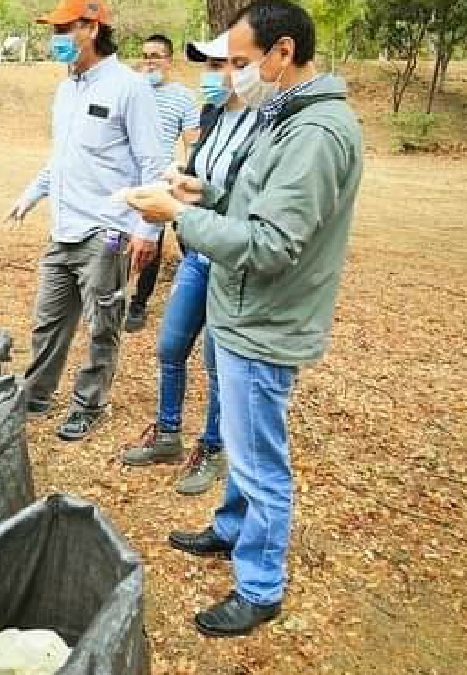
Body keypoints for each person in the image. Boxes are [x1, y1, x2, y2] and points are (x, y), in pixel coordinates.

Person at [126, 0, 363, 637]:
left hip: (266, 319)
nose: (231, 75)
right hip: (243, 309)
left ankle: (260, 586)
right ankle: (233, 528)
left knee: (261, 457)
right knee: (241, 433)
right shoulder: (284, 118)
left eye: (240, 62)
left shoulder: (315, 132)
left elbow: (273, 245)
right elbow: (257, 207)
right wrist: (210, 196)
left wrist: (179, 218)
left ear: (282, 53)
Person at [5, 0, 168, 443]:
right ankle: (35, 394)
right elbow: (62, 157)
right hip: (64, 226)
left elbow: (154, 165)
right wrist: (31, 194)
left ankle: (89, 403)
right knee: (48, 319)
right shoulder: (66, 89)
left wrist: (147, 230)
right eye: (53, 30)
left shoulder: (129, 88)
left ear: (92, 28)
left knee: (102, 320)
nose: (55, 39)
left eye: (64, 29)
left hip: (109, 228)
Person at [122, 30, 266, 497]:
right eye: (208, 66)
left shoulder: (266, 126)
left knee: (217, 362)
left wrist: (193, 202)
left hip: (229, 260)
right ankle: (167, 434)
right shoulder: (213, 115)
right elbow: (206, 179)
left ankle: (212, 447)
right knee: (170, 347)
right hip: (198, 254)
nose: (214, 75)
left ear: (245, 67)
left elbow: (249, 204)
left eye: (223, 64)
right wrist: (181, 181)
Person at [124, 33, 201, 333]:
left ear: (169, 60)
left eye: (156, 55)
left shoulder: (182, 96)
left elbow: (192, 141)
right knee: (122, 238)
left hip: (162, 180)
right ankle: (121, 296)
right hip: (128, 179)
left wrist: (187, 176)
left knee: (160, 238)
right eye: (145, 55)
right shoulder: (130, 90)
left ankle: (141, 302)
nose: (149, 61)